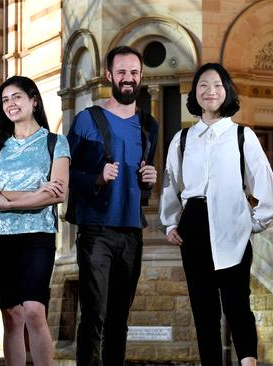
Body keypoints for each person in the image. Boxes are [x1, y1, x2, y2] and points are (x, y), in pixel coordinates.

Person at [159, 63, 273, 366]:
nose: (210, 91)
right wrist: (170, 222)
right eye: (203, 85)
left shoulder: (241, 135)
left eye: (217, 85)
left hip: (231, 223)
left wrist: (253, 222)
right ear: (195, 93)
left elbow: (262, 180)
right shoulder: (182, 139)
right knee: (204, 307)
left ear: (226, 92)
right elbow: (171, 183)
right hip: (194, 221)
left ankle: (248, 362)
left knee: (237, 302)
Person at [66, 46, 158, 366]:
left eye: (134, 72)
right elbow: (64, 175)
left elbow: (142, 175)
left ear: (141, 77)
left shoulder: (149, 126)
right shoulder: (86, 121)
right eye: (121, 72)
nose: (128, 78)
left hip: (132, 231)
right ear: (109, 76)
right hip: (96, 230)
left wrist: (150, 177)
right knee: (94, 314)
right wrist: (97, 178)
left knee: (120, 320)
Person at [0, 75, 70, 366]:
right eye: (5, 100)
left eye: (16, 97)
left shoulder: (56, 142)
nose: (10, 104)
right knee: (12, 315)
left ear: (33, 100)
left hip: (38, 236)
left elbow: (57, 194)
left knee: (33, 310)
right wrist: (35, 192)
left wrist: (6, 200)